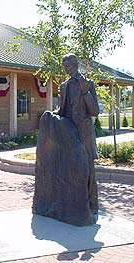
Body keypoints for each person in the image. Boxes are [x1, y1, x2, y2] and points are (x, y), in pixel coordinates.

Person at [56, 53, 100, 216]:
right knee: (70, 169)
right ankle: (74, 204)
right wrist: (50, 116)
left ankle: (92, 206)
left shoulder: (87, 83)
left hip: (84, 133)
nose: (66, 69)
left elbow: (95, 110)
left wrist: (85, 92)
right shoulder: (63, 86)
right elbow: (61, 110)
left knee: (88, 170)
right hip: (69, 132)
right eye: (65, 66)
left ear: (75, 65)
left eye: (69, 65)